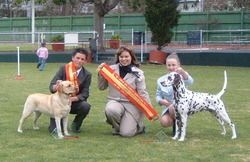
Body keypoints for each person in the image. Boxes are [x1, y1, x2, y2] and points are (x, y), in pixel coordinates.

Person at [97, 46, 151, 137]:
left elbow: (142, 92)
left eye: (126, 56)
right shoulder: (110, 70)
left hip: (132, 105)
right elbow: (101, 87)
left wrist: (149, 109)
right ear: (118, 58)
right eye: (121, 57)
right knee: (111, 110)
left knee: (126, 134)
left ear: (131, 57)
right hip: (115, 101)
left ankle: (139, 127)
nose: (124, 59)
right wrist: (101, 73)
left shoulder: (138, 73)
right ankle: (116, 127)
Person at [48, 48, 92, 133]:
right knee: (55, 131)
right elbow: (51, 87)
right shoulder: (63, 69)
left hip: (74, 103)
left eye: (82, 59)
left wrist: (72, 99)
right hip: (59, 104)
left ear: (85, 61)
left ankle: (76, 125)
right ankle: (56, 124)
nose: (79, 61)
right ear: (72, 58)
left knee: (85, 106)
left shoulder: (87, 74)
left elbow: (85, 93)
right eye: (77, 58)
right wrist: (56, 86)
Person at [156, 52, 193, 136]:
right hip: (168, 108)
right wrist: (161, 101)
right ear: (166, 65)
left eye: (173, 65)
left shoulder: (181, 76)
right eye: (169, 65)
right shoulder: (161, 80)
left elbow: (190, 81)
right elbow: (158, 95)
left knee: (174, 107)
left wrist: (183, 72)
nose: (171, 67)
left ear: (178, 65)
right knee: (164, 122)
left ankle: (179, 128)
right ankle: (177, 124)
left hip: (183, 106)